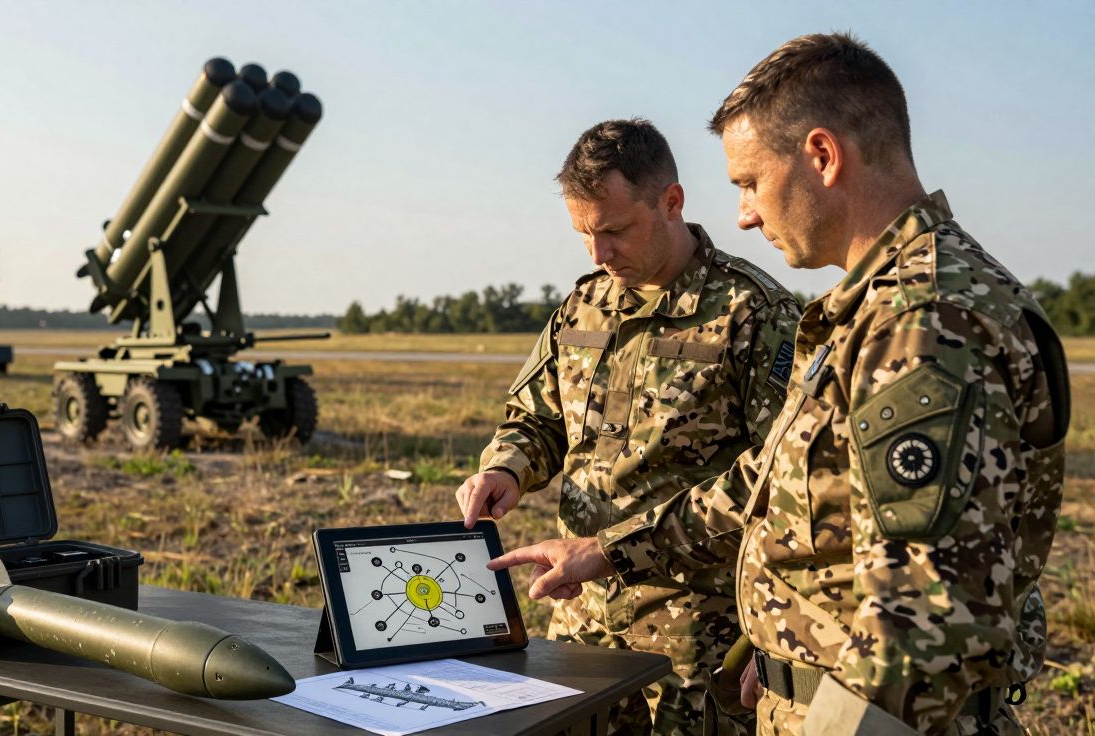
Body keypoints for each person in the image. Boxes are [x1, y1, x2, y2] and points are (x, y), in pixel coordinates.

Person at [488, 32, 1070, 736]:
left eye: (750, 182)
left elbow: (920, 626)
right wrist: (607, 551)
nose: (744, 213)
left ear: (822, 157)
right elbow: (763, 487)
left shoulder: (923, 321)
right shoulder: (872, 309)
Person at [456, 118, 801, 735]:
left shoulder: (754, 314)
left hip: (697, 640)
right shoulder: (583, 305)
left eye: (614, 230)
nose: (598, 253)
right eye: (583, 234)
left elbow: (784, 482)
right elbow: (536, 417)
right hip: (581, 625)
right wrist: (506, 466)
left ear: (671, 202)